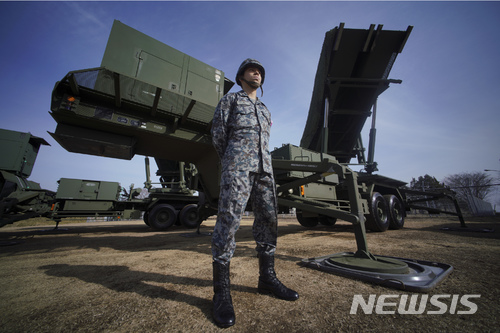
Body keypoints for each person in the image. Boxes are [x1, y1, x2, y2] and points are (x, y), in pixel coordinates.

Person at [210, 59, 299, 328]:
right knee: (229, 222)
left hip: (265, 169)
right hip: (237, 166)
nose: (257, 72)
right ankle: (221, 293)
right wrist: (232, 161)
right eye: (251, 69)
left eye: (260, 70)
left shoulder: (264, 108)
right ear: (240, 77)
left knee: (269, 220)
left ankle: (266, 278)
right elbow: (218, 135)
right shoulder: (231, 101)